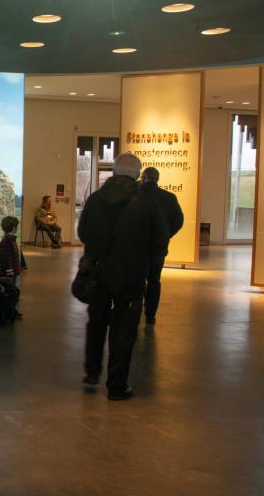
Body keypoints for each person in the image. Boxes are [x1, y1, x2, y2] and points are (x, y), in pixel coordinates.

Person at [77, 153, 168, 401]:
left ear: (114, 173)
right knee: (124, 331)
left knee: (96, 323)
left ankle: (92, 373)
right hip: (131, 277)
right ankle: (117, 386)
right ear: (137, 175)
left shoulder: (96, 200)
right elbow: (160, 241)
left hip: (98, 275)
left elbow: (83, 232)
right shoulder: (147, 203)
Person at [138, 167, 184, 324]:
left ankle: (135, 310)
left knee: (136, 278)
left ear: (143, 178)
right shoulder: (169, 197)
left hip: (138, 246)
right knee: (154, 280)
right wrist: (166, 234)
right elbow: (179, 220)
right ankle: (151, 315)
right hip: (158, 247)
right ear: (157, 179)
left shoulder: (136, 195)